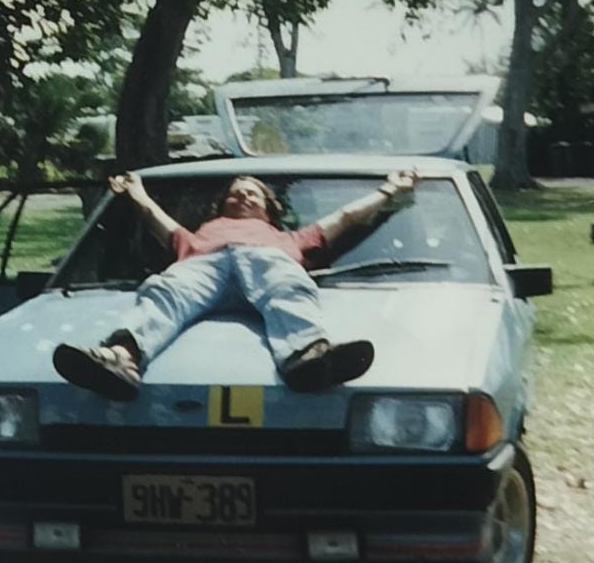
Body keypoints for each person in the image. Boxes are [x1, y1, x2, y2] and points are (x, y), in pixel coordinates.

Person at [52, 169, 418, 399]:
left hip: (266, 261)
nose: (241, 194)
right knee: (165, 291)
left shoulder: (292, 237)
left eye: (252, 192)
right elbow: (152, 215)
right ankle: (121, 358)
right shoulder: (195, 236)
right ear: (222, 206)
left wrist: (390, 189)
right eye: (235, 192)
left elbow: (347, 216)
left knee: (288, 288)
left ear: (268, 210)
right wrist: (135, 189)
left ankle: (308, 356)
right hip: (203, 264)